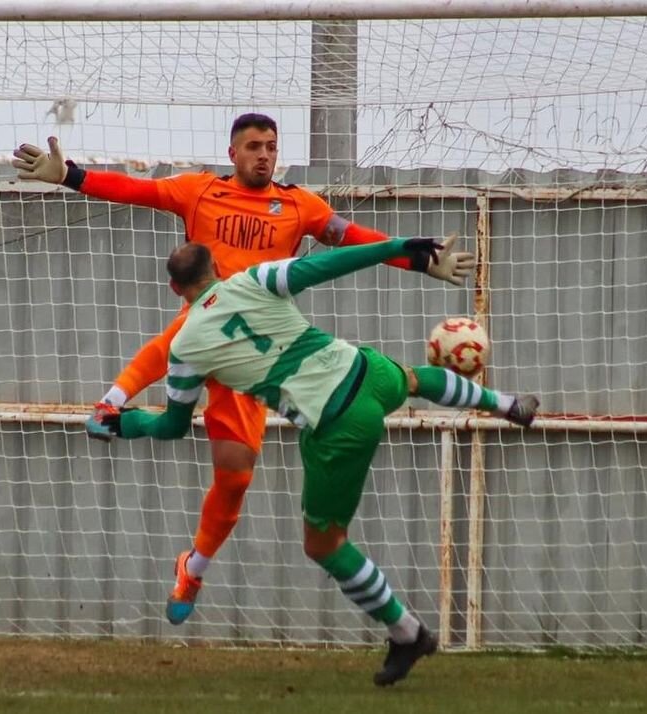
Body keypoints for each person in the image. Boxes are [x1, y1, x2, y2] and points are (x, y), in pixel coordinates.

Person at [12, 113, 476, 625]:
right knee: (180, 335)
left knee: (234, 477)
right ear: (232, 153)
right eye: (253, 145)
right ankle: (112, 402)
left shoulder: (300, 205)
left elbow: (350, 238)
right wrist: (70, 175)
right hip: (203, 333)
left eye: (271, 146)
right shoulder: (200, 191)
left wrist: (417, 259)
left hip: (255, 358)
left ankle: (194, 567)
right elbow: (135, 190)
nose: (264, 154)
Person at [94, 238, 539, 686]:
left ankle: (408, 633)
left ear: (175, 289)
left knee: (324, 544)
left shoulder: (185, 348)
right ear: (217, 266)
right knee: (411, 378)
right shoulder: (255, 279)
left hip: (337, 423)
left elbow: (172, 425)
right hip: (363, 370)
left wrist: (124, 424)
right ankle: (507, 404)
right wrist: (398, 247)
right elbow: (330, 264)